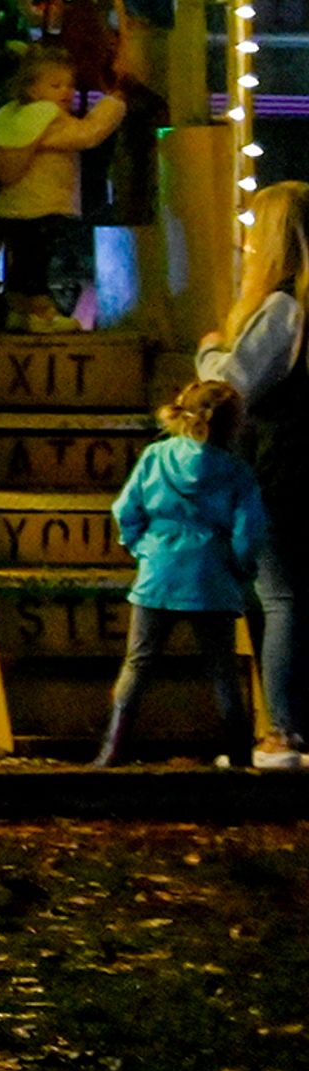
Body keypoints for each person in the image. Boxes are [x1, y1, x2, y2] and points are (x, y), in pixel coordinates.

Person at [97, 379, 271, 768]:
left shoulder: (156, 457)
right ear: (234, 424)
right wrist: (239, 569)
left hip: (157, 576)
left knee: (138, 664)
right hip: (212, 580)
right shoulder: (238, 473)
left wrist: (140, 546)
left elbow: (126, 508)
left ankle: (112, 749)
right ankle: (241, 755)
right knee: (223, 670)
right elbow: (250, 532)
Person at [195, 180, 307, 770]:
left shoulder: (283, 307)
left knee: (278, 596)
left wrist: (210, 350)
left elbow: (233, 385)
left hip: (282, 465)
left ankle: (280, 732)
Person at [0, 42, 127, 332]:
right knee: (37, 264)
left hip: (13, 205)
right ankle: (41, 313)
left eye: (69, 85)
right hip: (44, 206)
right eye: (55, 85)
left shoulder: (14, 118)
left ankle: (18, 310)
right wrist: (114, 102)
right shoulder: (48, 116)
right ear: (34, 90)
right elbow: (88, 134)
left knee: (22, 262)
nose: (66, 92)